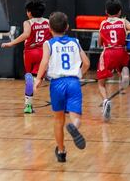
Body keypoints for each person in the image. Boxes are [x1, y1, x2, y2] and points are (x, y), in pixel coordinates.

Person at [36, 12, 89, 163]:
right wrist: (79, 74)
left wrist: (38, 79)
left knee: (59, 119)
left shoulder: (49, 44)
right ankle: (74, 126)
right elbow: (86, 63)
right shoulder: (75, 42)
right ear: (67, 27)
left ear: (49, 28)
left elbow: (44, 62)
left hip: (57, 84)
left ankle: (61, 151)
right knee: (75, 115)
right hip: (73, 82)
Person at [1, 0, 49, 114]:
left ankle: (28, 105)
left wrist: (11, 43)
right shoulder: (48, 22)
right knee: (39, 78)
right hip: (43, 52)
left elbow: (26, 34)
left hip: (29, 52)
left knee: (29, 78)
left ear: (29, 12)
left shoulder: (28, 22)